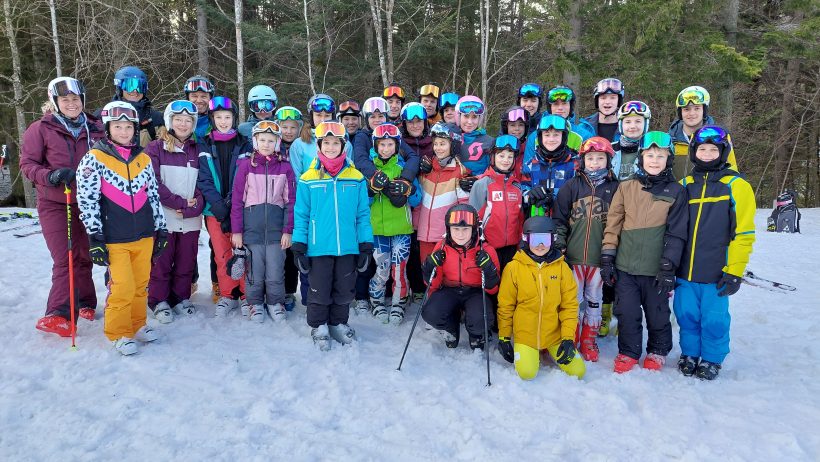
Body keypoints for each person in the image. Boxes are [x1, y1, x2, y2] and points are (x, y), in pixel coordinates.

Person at [75, 101, 168, 355]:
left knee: (141, 285)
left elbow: (153, 197)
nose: (124, 132)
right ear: (108, 128)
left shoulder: (144, 159)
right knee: (122, 286)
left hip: (144, 234)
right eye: (118, 126)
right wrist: (95, 236)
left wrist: (161, 229)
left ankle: (138, 324)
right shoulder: (94, 159)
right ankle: (118, 332)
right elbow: (87, 199)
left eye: (128, 126)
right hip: (114, 237)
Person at [21, 77, 104, 336]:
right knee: (65, 256)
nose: (71, 103)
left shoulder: (96, 129)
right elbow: (28, 164)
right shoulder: (41, 128)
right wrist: (51, 176)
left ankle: (86, 301)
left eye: (76, 99)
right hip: (56, 202)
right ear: (55, 102)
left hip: (90, 202)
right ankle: (59, 313)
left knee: (84, 255)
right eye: (65, 99)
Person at [600, 131, 688, 373]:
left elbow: (677, 233)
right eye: (650, 155)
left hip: (656, 268)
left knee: (658, 314)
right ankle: (628, 352)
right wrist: (608, 256)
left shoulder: (676, 192)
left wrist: (669, 265)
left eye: (660, 156)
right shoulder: (626, 188)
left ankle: (658, 350)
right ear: (641, 158)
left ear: (669, 160)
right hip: (625, 266)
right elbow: (613, 223)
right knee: (626, 312)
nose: (654, 160)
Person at [674, 125, 755, 380]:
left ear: (723, 152)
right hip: (685, 270)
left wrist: (735, 271)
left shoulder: (736, 186)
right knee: (686, 315)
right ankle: (689, 353)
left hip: (716, 271)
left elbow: (743, 233)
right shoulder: (684, 185)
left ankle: (712, 357)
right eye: (702, 149)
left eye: (712, 149)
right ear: (694, 153)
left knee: (714, 318)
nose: (707, 154)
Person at [291, 121, 374, 351]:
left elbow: (362, 214)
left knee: (344, 288)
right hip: (318, 247)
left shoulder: (356, 177)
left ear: (343, 146)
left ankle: (338, 322)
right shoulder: (308, 178)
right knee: (318, 289)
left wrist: (366, 244)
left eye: (335, 143)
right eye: (325, 143)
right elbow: (301, 214)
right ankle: (319, 326)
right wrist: (299, 244)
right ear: (319, 146)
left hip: (348, 247)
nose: (330, 147)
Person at [554, 136, 619, 362]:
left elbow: (619, 224)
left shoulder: (616, 188)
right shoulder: (571, 186)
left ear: (608, 161)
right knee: (571, 300)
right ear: (582, 160)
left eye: (600, 158)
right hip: (573, 256)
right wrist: (559, 245)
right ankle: (569, 337)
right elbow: (560, 220)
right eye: (590, 158)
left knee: (594, 300)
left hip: (599, 258)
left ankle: (589, 339)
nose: (595, 163)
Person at [496, 216, 585, 379]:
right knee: (527, 373)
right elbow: (506, 305)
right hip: (526, 334)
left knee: (578, 371)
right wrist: (504, 337)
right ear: (526, 239)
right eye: (535, 239)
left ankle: (549, 348)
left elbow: (570, 306)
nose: (540, 245)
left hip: (553, 334)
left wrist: (567, 338)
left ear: (553, 239)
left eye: (545, 239)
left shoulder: (562, 268)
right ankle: (529, 352)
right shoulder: (513, 268)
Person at [230, 121, 296, 323]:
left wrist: (288, 230)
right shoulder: (245, 166)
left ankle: (276, 302)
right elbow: (237, 200)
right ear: (255, 141)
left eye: (271, 140)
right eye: (262, 140)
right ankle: (255, 303)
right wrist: (237, 231)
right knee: (254, 271)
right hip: (252, 230)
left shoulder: (285, 167)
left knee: (276, 269)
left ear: (277, 142)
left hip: (277, 232)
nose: (266, 144)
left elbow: (291, 201)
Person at [145, 100, 204, 323]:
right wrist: (178, 203)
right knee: (161, 261)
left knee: (186, 261)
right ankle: (158, 300)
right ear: (170, 121)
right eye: (178, 119)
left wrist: (196, 205)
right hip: (164, 216)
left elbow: (205, 182)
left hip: (190, 218)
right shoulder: (156, 148)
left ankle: (180, 297)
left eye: (188, 120)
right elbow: (153, 183)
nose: (183, 124)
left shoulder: (198, 150)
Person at [196, 96, 252, 317]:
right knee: (222, 254)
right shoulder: (204, 144)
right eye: (218, 117)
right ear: (212, 118)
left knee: (244, 252)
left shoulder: (245, 144)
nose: (223, 121)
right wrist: (218, 205)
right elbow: (204, 179)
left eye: (227, 117)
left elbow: (247, 176)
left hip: (241, 208)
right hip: (214, 210)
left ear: (234, 118)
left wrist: (232, 203)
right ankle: (228, 294)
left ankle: (247, 294)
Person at [421, 204, 500, 350]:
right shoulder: (442, 247)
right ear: (449, 229)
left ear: (474, 229)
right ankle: (451, 326)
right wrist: (429, 267)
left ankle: (476, 334)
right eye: (456, 229)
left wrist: (489, 270)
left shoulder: (486, 250)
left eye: (465, 229)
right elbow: (434, 285)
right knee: (430, 313)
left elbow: (493, 290)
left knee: (481, 319)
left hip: (475, 292)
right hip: (449, 289)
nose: (460, 234)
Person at [366, 123, 420, 325]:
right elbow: (362, 201)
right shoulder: (370, 170)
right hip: (378, 231)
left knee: (399, 269)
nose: (386, 149)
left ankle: (399, 302)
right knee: (382, 268)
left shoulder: (403, 169)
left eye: (390, 144)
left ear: (397, 146)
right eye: (382, 145)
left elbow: (417, 200)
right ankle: (376, 300)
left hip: (401, 230)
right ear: (375, 146)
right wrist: (371, 190)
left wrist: (409, 191)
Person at [413, 122, 470, 265]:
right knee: (427, 271)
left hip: (445, 235)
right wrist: (415, 226)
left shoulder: (460, 172)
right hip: (424, 235)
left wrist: (458, 233)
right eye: (436, 144)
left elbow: (463, 206)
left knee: (443, 272)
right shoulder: (427, 169)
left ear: (453, 145)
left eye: (443, 144)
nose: (438, 148)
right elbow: (420, 201)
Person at [469, 135, 524, 274]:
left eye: (510, 157)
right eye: (501, 156)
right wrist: (478, 245)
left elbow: (520, 219)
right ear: (493, 157)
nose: (505, 160)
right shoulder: (482, 184)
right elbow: (473, 218)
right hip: (489, 247)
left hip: (511, 248)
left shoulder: (517, 187)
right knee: (492, 286)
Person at [669, 86, 738, 179]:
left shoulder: (720, 137)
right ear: (680, 112)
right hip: (677, 192)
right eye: (686, 109)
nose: (691, 113)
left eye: (697, 108)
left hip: (709, 192)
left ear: (704, 111)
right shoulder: (669, 140)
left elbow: (731, 171)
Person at [275, 105, 306, 310]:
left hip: (300, 204)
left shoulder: (304, 146)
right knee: (282, 252)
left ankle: (301, 290)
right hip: (278, 206)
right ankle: (285, 290)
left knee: (298, 250)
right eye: (284, 127)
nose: (288, 131)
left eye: (292, 127)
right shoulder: (272, 146)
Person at [352, 96, 419, 183]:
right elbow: (360, 160)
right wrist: (378, 178)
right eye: (372, 117)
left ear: (386, 117)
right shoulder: (362, 137)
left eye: (381, 116)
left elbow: (412, 157)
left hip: (395, 177)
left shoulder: (392, 134)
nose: (377, 120)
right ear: (367, 119)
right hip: (372, 183)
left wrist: (405, 178)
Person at [522, 114, 579, 216]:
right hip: (538, 223)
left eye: (556, 134)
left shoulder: (574, 164)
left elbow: (579, 194)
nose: (551, 139)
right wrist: (529, 194)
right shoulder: (531, 164)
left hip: (565, 222)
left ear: (564, 137)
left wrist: (555, 198)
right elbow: (522, 189)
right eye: (547, 135)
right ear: (540, 137)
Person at [104, 66, 165, 146]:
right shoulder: (104, 114)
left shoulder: (156, 118)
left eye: (140, 86)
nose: (135, 91)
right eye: (130, 86)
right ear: (120, 88)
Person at [453, 95, 495, 181]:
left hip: (479, 190)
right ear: (459, 116)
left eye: (474, 117)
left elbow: (496, 170)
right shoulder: (451, 139)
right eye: (466, 116)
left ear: (480, 118)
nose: (470, 122)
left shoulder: (490, 142)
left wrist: (478, 179)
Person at [582, 78, 624, 142]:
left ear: (619, 101)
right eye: (603, 98)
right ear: (597, 101)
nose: (607, 102)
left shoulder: (627, 127)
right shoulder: (584, 128)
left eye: (613, 98)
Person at [183, 75, 215, 140]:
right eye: (194, 96)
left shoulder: (220, 122)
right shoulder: (177, 123)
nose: (199, 101)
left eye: (204, 96)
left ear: (210, 99)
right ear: (188, 98)